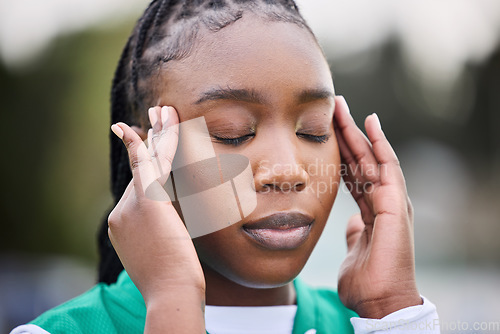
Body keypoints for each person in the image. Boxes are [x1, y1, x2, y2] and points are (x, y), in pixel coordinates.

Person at [11, 0, 440, 333]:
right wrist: (173, 302)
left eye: (312, 129)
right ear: (146, 155)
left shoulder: (376, 322)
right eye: (232, 132)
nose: (288, 171)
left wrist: (392, 310)